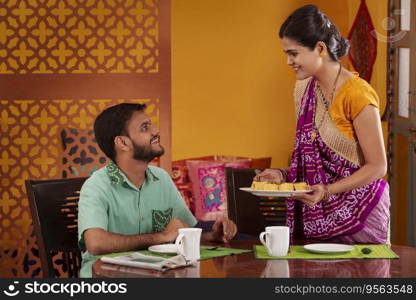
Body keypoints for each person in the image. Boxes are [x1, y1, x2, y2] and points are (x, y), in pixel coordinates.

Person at [255, 5, 390, 244]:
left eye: (293, 53)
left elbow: (378, 166)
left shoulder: (357, 94)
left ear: (320, 48)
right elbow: (309, 160)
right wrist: (281, 175)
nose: (288, 61)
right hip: (316, 215)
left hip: (361, 216)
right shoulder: (304, 90)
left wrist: (328, 191)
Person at [78, 103, 237, 277]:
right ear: (123, 142)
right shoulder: (96, 186)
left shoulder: (161, 178)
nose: (156, 131)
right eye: (145, 127)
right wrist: (161, 237)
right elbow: (96, 243)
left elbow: (183, 230)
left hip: (154, 274)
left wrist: (211, 236)